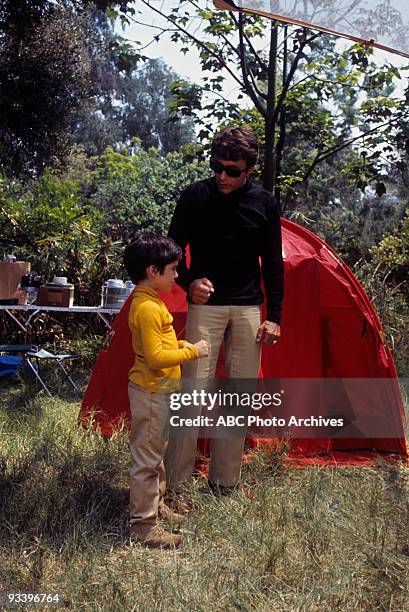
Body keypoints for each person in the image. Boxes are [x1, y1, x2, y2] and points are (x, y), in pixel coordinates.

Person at [165, 125, 284, 494]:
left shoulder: (264, 202)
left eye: (232, 170)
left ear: (249, 168)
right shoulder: (195, 196)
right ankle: (176, 484)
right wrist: (188, 282)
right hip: (207, 309)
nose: (223, 176)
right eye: (217, 166)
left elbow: (273, 264)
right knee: (193, 394)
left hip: (249, 309)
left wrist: (275, 316)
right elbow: (170, 251)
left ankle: (224, 484)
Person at [123, 234, 208, 548]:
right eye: (173, 269)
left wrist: (180, 345)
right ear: (153, 271)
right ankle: (143, 526)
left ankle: (155, 506)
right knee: (147, 458)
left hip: (158, 390)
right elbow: (157, 358)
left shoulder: (151, 301)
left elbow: (159, 346)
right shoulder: (146, 307)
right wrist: (192, 351)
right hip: (150, 391)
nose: (176, 275)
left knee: (155, 453)